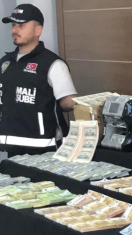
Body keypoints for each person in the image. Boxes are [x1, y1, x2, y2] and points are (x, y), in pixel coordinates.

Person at [0, 4, 77, 149]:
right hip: (11, 146)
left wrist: (89, 105)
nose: (15, 30)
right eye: (13, 25)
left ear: (38, 30)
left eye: (21, 25)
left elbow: (68, 102)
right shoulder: (5, 62)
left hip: (46, 148)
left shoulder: (53, 64)